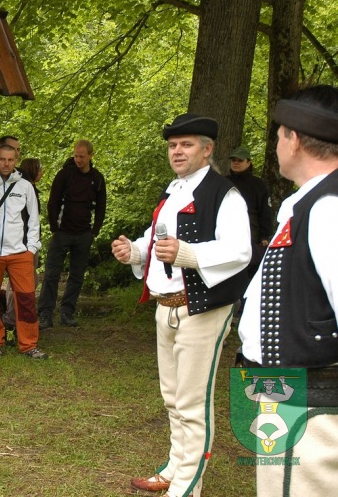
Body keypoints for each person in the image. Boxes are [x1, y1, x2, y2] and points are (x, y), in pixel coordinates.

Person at [111, 113, 251, 497]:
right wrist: (135, 251)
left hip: (202, 306)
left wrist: (187, 253)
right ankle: (175, 467)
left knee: (192, 400)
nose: (177, 151)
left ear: (207, 150)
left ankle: (188, 484)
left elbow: (240, 250)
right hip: (166, 305)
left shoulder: (225, 194)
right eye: (173, 145)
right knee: (172, 396)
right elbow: (156, 239)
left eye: (186, 144)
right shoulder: (173, 189)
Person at [237, 85, 338, 497]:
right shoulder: (305, 203)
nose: (277, 143)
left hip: (310, 395)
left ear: (294, 139)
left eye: (279, 134)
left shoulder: (329, 208)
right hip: (282, 384)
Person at [0, 140, 47, 360]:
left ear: (16, 160)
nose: (6, 164)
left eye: (10, 160)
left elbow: (34, 220)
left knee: (26, 299)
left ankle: (28, 344)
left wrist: (31, 247)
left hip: (20, 253)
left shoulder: (25, 186)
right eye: (2, 160)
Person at [38, 139, 106, 329]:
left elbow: (101, 206)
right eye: (76, 156)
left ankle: (67, 312)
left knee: (77, 275)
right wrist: (54, 228)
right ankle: (45, 313)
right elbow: (53, 202)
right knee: (51, 274)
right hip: (62, 232)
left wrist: (94, 231)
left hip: (84, 234)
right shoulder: (64, 175)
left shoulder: (97, 179)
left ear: (90, 156)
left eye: (82, 156)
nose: (78, 159)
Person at [2, 157, 43, 339]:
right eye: (40, 169)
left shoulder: (26, 187)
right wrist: (30, 247)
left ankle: (14, 321)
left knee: (25, 284)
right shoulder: (26, 188)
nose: (42, 173)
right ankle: (11, 321)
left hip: (26, 245)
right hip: (22, 246)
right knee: (24, 285)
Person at [227, 147, 274, 278]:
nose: (236, 163)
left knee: (250, 273)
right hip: (227, 233)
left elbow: (265, 211)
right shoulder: (223, 183)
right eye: (233, 160)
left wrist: (265, 236)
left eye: (240, 160)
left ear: (248, 162)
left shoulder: (258, 184)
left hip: (252, 235)